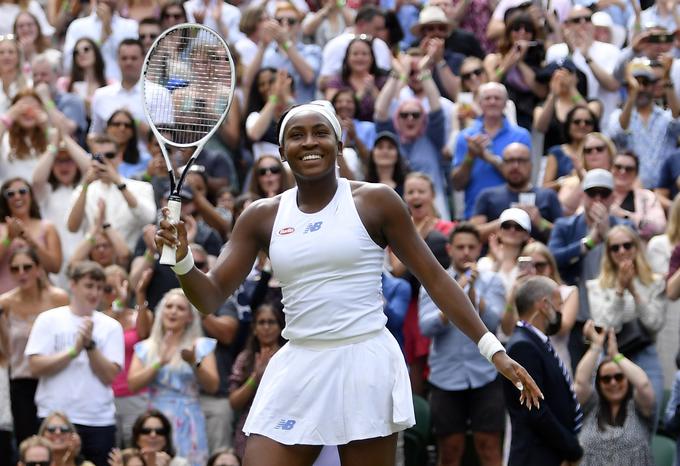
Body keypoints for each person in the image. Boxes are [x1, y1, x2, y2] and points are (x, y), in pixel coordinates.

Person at [154, 100, 541, 465]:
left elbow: (437, 280)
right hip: (299, 360)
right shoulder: (261, 216)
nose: (309, 142)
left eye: (320, 132)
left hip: (364, 360)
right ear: (282, 149)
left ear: (339, 145)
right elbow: (209, 297)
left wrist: (493, 350)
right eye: (297, 134)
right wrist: (184, 259)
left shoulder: (377, 201)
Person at [419, 222, 506, 466]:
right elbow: (426, 328)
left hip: (485, 375)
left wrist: (474, 297)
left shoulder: (492, 281)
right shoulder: (433, 282)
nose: (466, 252)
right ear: (449, 249)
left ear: (479, 248)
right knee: (450, 451)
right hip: (446, 377)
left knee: (488, 447)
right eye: (460, 247)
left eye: (471, 247)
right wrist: (453, 300)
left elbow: (494, 323)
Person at [26, 261, 124, 466]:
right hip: (54, 419)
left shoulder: (111, 327)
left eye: (100, 287)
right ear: (72, 284)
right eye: (89, 286)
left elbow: (109, 376)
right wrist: (73, 351)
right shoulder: (49, 319)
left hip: (97, 419)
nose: (95, 292)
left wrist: (89, 346)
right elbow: (35, 367)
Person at [127, 289, 219, 466]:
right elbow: (133, 384)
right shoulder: (147, 347)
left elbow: (213, 385)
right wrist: (159, 362)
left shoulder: (200, 346)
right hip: (156, 423)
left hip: (189, 417)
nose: (173, 311)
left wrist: (194, 362)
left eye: (180, 308)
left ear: (190, 317)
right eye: (168, 306)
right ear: (161, 312)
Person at [548, 169, 630, 367]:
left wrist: (609, 235)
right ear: (583, 195)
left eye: (604, 193)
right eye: (593, 193)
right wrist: (589, 242)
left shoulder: (625, 228)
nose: (598, 199)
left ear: (613, 197)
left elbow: (635, 260)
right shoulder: (565, 226)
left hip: (616, 322)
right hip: (579, 322)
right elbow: (552, 259)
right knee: (578, 385)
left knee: (616, 384)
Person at [586, 225, 667, 424]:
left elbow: (654, 323)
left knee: (649, 415)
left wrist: (635, 291)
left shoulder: (655, 282)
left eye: (627, 245)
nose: (622, 251)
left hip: (645, 354)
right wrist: (620, 290)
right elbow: (606, 325)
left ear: (636, 247)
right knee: (609, 422)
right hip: (610, 357)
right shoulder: (596, 286)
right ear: (608, 253)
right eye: (615, 248)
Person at [503, 276, 584, 466]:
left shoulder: (535, 342)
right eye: (558, 304)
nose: (560, 311)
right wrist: (572, 449)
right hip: (536, 457)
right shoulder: (523, 346)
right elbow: (536, 411)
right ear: (544, 305)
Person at [0, 247, 69, 444]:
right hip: (21, 380)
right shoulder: (5, 303)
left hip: (54, 377)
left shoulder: (59, 298)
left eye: (27, 267)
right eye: (15, 269)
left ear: (38, 268)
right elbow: (5, 350)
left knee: (58, 437)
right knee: (27, 440)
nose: (21, 273)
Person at [573, 320, 655, 466]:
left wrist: (616, 355)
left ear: (628, 379)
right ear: (599, 383)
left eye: (619, 377)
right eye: (606, 379)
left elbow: (643, 384)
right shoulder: (591, 405)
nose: (613, 383)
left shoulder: (639, 407)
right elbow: (580, 382)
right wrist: (596, 347)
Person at [451, 82, 531, 219]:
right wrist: (470, 156)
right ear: (480, 103)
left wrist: (489, 158)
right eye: (487, 98)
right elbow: (457, 184)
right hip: (474, 212)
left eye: (497, 98)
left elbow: (524, 178)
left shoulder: (521, 136)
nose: (492, 102)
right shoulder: (465, 137)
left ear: (506, 103)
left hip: (512, 214)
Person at [66, 134, 156, 251]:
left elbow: (148, 218)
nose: (104, 161)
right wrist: (85, 185)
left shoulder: (141, 187)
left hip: (130, 262)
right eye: (98, 156)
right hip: (95, 263)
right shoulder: (83, 190)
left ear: (120, 157)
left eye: (109, 155)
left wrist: (118, 182)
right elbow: (72, 227)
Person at [607, 58, 680, 190]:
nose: (640, 88)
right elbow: (619, 132)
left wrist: (667, 80)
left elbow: (677, 120)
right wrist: (631, 97)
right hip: (631, 191)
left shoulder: (665, 116)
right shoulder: (617, 116)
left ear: (653, 86)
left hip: (665, 190)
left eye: (645, 83)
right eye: (635, 84)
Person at [471, 142, 563, 243]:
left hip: (538, 256)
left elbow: (565, 236)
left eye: (521, 160)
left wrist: (540, 222)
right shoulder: (487, 196)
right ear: (503, 165)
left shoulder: (548, 196)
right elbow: (472, 236)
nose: (515, 166)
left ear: (531, 165)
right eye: (510, 161)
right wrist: (507, 219)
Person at [103, 265, 152, 448]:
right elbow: (105, 337)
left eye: (119, 286)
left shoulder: (140, 315)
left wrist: (139, 293)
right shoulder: (99, 319)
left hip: (135, 394)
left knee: (136, 448)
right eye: (108, 289)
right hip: (106, 395)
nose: (114, 293)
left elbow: (143, 334)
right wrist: (118, 305)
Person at [228, 304, 286, 460]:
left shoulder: (289, 358)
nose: (266, 327)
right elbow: (234, 403)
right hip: (249, 427)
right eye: (261, 322)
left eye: (271, 322)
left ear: (280, 326)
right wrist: (255, 377)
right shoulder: (245, 359)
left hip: (282, 425)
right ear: (254, 328)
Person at [484, 11, 546, 129]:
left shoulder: (540, 62)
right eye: (517, 29)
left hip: (528, 117)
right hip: (501, 113)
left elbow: (541, 91)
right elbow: (492, 82)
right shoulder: (494, 59)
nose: (522, 33)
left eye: (527, 30)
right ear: (509, 33)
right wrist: (507, 63)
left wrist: (520, 62)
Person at [0, 177, 63, 293]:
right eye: (10, 194)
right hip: (4, 300)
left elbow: (55, 267)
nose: (17, 196)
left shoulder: (48, 227)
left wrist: (30, 241)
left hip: (41, 299)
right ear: (5, 200)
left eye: (22, 191)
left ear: (31, 195)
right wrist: (8, 239)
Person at [62, 0, 138, 82]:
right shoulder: (78, 26)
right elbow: (68, 64)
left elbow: (134, 60)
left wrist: (108, 29)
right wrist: (100, 42)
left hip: (120, 86)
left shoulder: (131, 26)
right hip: (87, 86)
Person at [324, 36, 387, 121]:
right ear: (347, 58)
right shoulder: (337, 81)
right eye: (355, 54)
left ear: (372, 58)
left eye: (364, 54)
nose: (360, 58)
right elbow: (331, 107)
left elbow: (386, 110)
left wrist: (372, 90)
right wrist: (362, 92)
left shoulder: (381, 80)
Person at [609, 151, 666, 241]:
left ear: (636, 174)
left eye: (629, 169)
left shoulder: (647, 197)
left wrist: (624, 215)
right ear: (611, 169)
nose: (623, 171)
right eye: (618, 167)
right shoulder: (599, 194)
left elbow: (659, 227)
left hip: (638, 248)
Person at [542, 105, 599, 190]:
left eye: (588, 122)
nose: (582, 125)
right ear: (568, 125)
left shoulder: (599, 151)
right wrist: (565, 182)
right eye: (577, 122)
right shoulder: (557, 152)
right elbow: (545, 187)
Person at [63, 38, 108, 119]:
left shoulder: (110, 84)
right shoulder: (65, 84)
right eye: (76, 52)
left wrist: (84, 102)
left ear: (96, 52)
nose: (81, 53)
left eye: (86, 49)